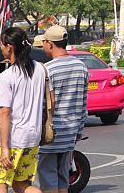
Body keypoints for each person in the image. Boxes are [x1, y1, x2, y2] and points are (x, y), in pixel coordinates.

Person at [0, 26, 46, 193]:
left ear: (9, 47)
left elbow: (5, 112)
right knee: (21, 184)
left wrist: (5, 148)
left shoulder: (6, 77)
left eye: (1, 44)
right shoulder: (40, 69)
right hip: (33, 137)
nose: (0, 47)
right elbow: (50, 101)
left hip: (13, 139)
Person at [37, 26, 87, 193]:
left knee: (48, 180)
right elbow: (83, 103)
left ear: (50, 44)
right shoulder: (81, 67)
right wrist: (78, 131)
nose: (43, 45)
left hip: (50, 133)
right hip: (71, 132)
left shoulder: (47, 69)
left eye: (44, 42)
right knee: (63, 179)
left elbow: (43, 104)